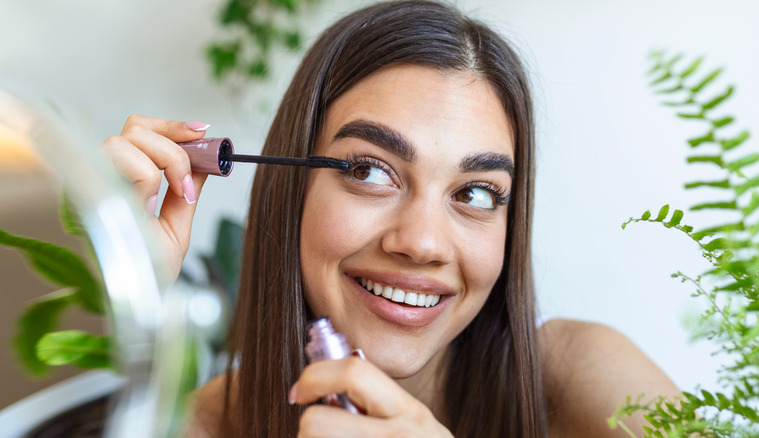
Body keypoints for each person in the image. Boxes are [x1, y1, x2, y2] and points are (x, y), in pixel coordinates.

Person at [101, 1, 679, 436]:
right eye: (370, 171)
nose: (423, 243)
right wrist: (107, 288)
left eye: (476, 193)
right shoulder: (201, 424)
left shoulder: (585, 379)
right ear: (292, 187)